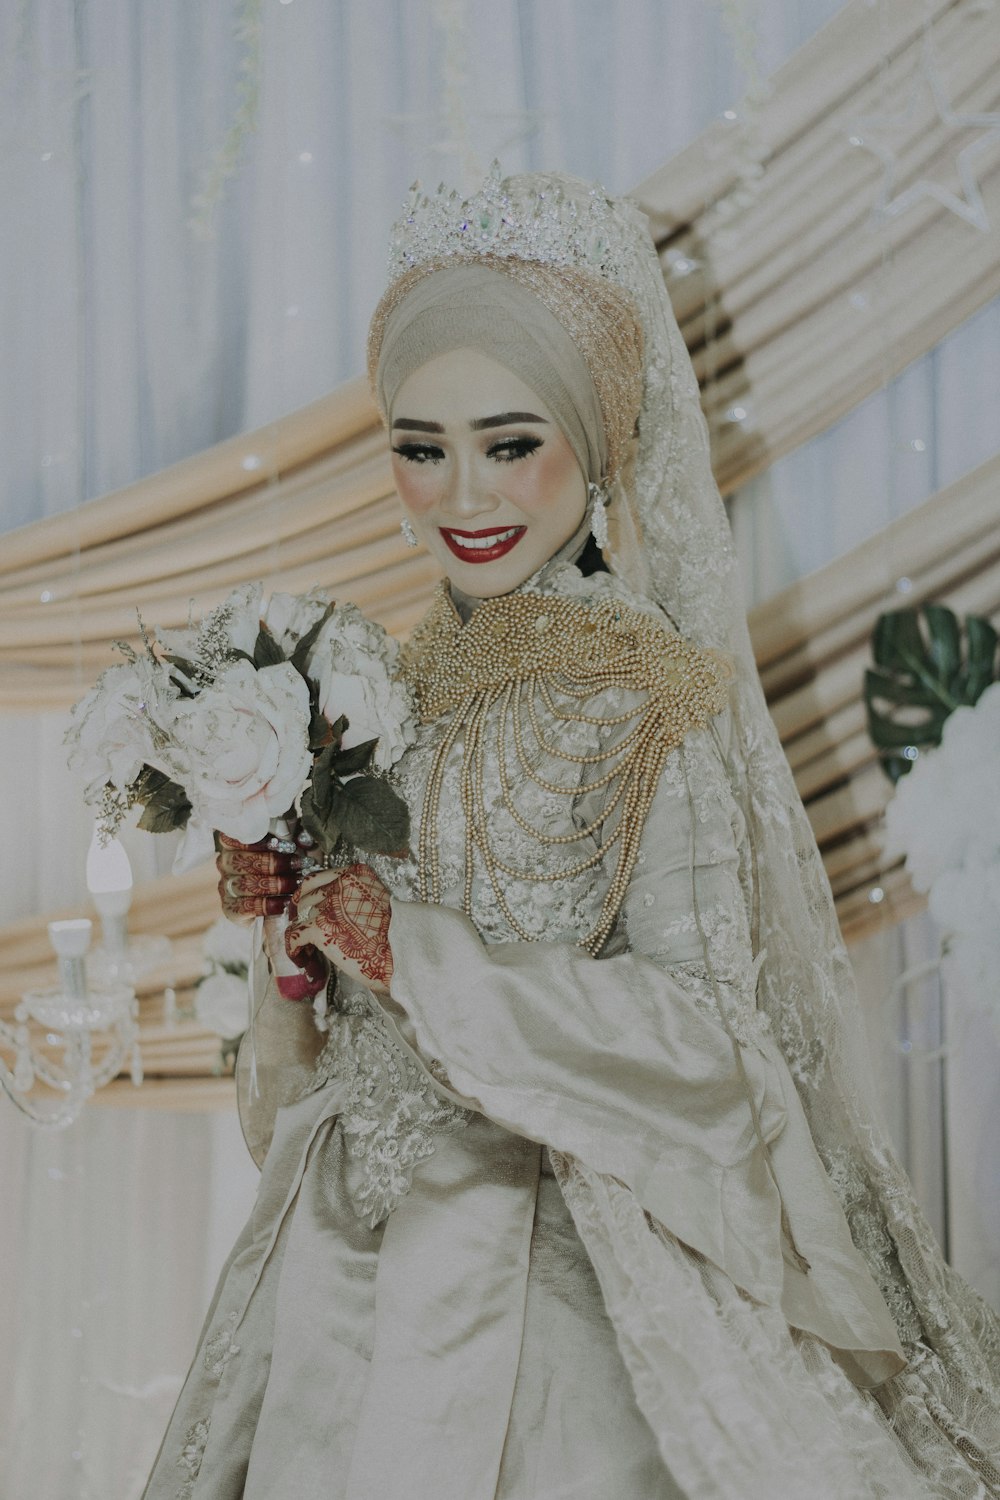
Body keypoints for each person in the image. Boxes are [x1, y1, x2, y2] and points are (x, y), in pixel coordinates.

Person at [143, 170, 1000, 1500]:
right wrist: (293, 943)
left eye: (509, 440)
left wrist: (419, 956)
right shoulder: (374, 689)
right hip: (326, 1278)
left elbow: (716, 1055)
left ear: (599, 444)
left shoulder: (651, 694)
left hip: (548, 1292)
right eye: (419, 445)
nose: (461, 493)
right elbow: (291, 1106)